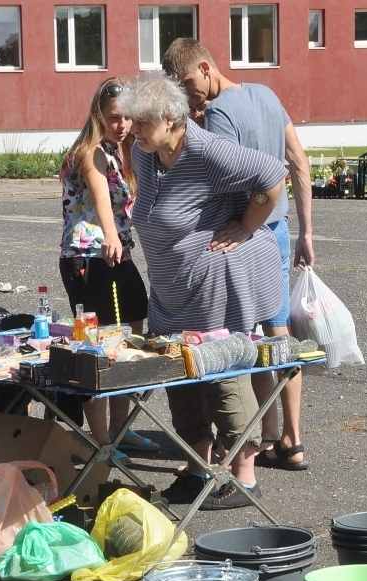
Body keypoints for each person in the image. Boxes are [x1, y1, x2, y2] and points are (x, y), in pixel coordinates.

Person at [117, 72, 287, 510]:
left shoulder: (206, 151)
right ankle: (197, 468)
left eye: (142, 123)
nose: (134, 130)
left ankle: (243, 476)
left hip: (215, 282)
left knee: (220, 374)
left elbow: (272, 176)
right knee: (177, 371)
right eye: (133, 122)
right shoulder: (146, 152)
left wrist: (247, 227)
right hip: (171, 285)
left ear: (171, 119)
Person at [162, 38, 314, 471]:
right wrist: (307, 231)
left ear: (207, 69)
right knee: (277, 337)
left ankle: (254, 440)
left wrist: (243, 226)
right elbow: (298, 161)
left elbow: (217, 180)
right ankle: (291, 438)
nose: (187, 95)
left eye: (188, 83)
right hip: (279, 230)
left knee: (243, 343)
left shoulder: (219, 113)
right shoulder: (266, 94)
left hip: (245, 235)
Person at [59, 77, 157, 463]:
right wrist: (111, 235)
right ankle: (99, 441)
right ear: (99, 113)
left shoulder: (122, 151)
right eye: (114, 118)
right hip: (87, 255)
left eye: (128, 119)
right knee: (97, 347)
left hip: (118, 255)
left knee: (133, 332)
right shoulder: (89, 152)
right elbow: (101, 198)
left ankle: (121, 428)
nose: (122, 125)